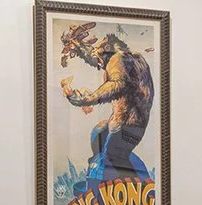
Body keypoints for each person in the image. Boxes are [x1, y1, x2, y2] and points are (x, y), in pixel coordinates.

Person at [61, 30, 155, 186]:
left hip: (127, 125)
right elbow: (94, 57)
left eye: (98, 52)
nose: (96, 61)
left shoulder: (118, 58)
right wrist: (77, 45)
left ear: (107, 48)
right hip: (131, 124)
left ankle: (129, 191)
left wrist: (86, 99)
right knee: (99, 132)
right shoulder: (130, 60)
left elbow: (117, 84)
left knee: (113, 157)